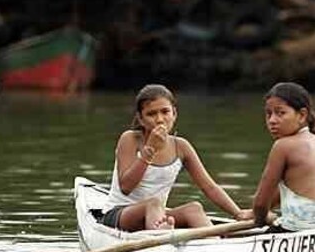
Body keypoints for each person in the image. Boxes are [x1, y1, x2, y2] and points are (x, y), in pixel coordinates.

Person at [100, 84, 251, 230]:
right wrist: (150, 149)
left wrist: (237, 213)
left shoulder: (181, 146)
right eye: (151, 114)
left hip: (157, 214)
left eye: (165, 112)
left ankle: (215, 245)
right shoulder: (130, 139)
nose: (160, 119)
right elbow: (126, 187)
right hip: (120, 215)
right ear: (140, 119)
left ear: (174, 114)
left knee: (194, 208)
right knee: (153, 203)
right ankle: (161, 236)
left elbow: (209, 187)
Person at [252, 82, 315, 231]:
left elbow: (260, 204)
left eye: (280, 113)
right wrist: (256, 213)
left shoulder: (282, 146)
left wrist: (260, 219)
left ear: (302, 115)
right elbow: (289, 190)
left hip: (299, 229)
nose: (272, 120)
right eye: (268, 114)